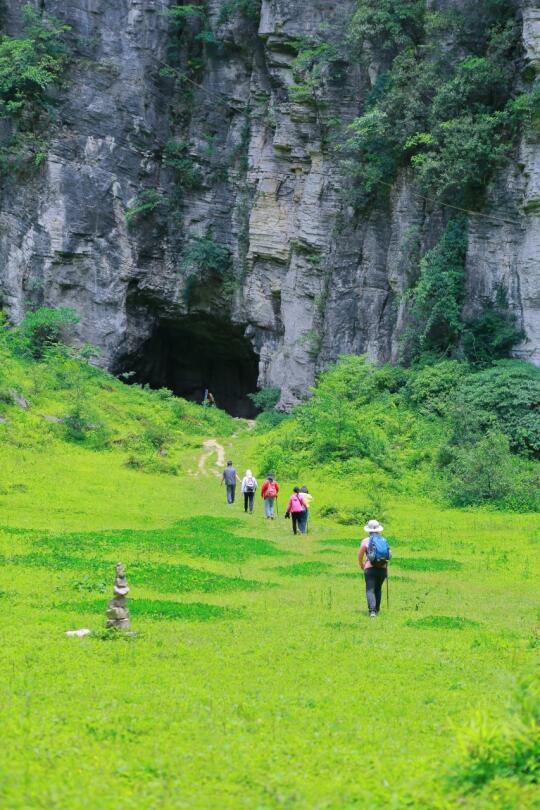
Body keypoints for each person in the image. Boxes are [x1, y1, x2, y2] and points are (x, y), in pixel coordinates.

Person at [358, 519, 391, 617]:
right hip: (382, 569)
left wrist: (362, 565)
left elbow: (360, 555)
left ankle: (372, 611)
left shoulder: (365, 541)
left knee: (370, 589)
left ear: (368, 530)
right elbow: (390, 554)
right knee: (378, 589)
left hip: (370, 568)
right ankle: (377, 610)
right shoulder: (384, 540)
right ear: (378, 530)